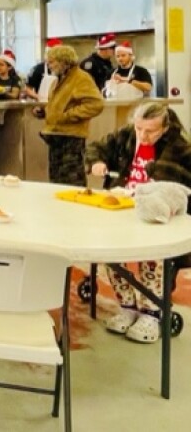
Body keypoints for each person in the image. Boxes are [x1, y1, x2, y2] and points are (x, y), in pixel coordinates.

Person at [86, 101, 191, 343]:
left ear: (164, 129)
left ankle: (152, 312)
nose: (143, 136)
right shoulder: (127, 136)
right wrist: (97, 163)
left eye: (150, 131)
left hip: (158, 214)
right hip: (122, 207)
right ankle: (128, 306)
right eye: (138, 129)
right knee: (111, 255)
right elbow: (97, 147)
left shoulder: (179, 147)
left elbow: (170, 186)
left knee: (152, 259)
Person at [32, 44, 104, 187]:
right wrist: (45, 111)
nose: (48, 64)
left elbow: (96, 104)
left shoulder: (81, 78)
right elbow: (60, 105)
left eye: (52, 61)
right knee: (56, 181)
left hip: (71, 137)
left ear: (64, 61)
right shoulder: (57, 80)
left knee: (72, 180)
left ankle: (76, 208)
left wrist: (69, 116)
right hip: (56, 136)